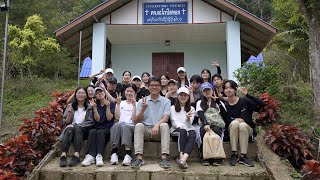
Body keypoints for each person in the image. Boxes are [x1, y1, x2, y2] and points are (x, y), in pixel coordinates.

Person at [131, 76, 171, 169]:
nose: (154, 87)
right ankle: (139, 157)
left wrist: (157, 124)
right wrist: (143, 110)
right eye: (152, 85)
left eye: (156, 85)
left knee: (164, 125)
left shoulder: (166, 101)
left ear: (160, 87)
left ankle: (164, 157)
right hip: (146, 131)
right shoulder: (142, 101)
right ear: (148, 87)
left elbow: (166, 117)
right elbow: (137, 120)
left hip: (158, 131)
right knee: (139, 125)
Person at [223, 80, 265, 167]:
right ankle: (234, 153)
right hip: (232, 130)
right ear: (224, 91)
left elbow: (262, 104)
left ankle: (243, 155)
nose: (228, 90)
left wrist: (247, 95)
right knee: (235, 123)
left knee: (242, 125)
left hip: (247, 129)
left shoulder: (244, 101)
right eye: (226, 88)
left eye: (230, 88)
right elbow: (226, 121)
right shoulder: (224, 105)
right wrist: (235, 120)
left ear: (235, 90)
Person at [59, 87, 98, 167]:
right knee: (69, 129)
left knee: (76, 128)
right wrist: (69, 114)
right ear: (75, 95)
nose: (80, 95)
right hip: (71, 131)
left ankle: (76, 155)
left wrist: (76, 125)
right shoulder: (70, 106)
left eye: (83, 93)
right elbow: (66, 122)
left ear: (86, 95)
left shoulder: (89, 107)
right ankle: (63, 155)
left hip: (83, 131)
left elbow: (90, 122)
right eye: (78, 93)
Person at [196, 82, 228, 166]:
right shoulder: (199, 102)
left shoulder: (218, 102)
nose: (207, 92)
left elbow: (224, 114)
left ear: (212, 90)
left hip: (217, 124)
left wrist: (217, 101)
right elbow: (200, 113)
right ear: (202, 92)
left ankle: (217, 157)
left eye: (208, 90)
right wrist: (206, 123)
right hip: (205, 124)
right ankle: (204, 155)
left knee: (217, 130)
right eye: (204, 90)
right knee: (203, 131)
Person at [81, 87, 114, 167]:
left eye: (101, 92)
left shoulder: (111, 103)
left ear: (104, 92)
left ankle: (99, 155)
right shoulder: (96, 105)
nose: (100, 94)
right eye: (97, 93)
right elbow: (98, 120)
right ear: (95, 95)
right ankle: (90, 156)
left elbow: (109, 118)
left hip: (107, 129)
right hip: (97, 127)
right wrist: (95, 108)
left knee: (100, 132)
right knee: (92, 131)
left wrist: (108, 107)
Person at [111, 84, 137, 166]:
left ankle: (128, 154)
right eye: (127, 91)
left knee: (125, 126)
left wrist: (134, 106)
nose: (129, 93)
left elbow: (134, 119)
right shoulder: (121, 103)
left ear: (135, 93)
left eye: (131, 91)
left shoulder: (138, 103)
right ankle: (114, 153)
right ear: (124, 92)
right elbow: (117, 117)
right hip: (120, 125)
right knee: (116, 125)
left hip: (131, 127)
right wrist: (118, 104)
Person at [170, 87, 196, 169]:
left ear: (188, 97)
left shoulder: (191, 109)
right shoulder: (172, 108)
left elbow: (190, 123)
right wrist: (183, 128)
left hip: (188, 129)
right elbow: (174, 121)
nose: (183, 97)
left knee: (193, 133)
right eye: (181, 95)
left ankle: (183, 159)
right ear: (177, 96)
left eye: (185, 95)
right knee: (183, 132)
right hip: (176, 130)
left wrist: (188, 118)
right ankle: (181, 158)